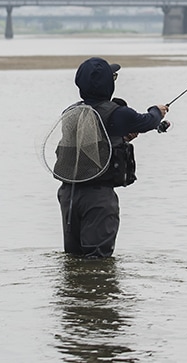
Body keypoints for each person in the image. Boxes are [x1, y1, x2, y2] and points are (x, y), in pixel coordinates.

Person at [56, 57, 169, 257]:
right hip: (98, 198)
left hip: (69, 195)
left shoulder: (71, 112)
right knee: (98, 262)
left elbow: (89, 147)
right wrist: (157, 111)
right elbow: (148, 121)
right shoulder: (119, 114)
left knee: (73, 259)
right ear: (108, 85)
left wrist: (121, 140)